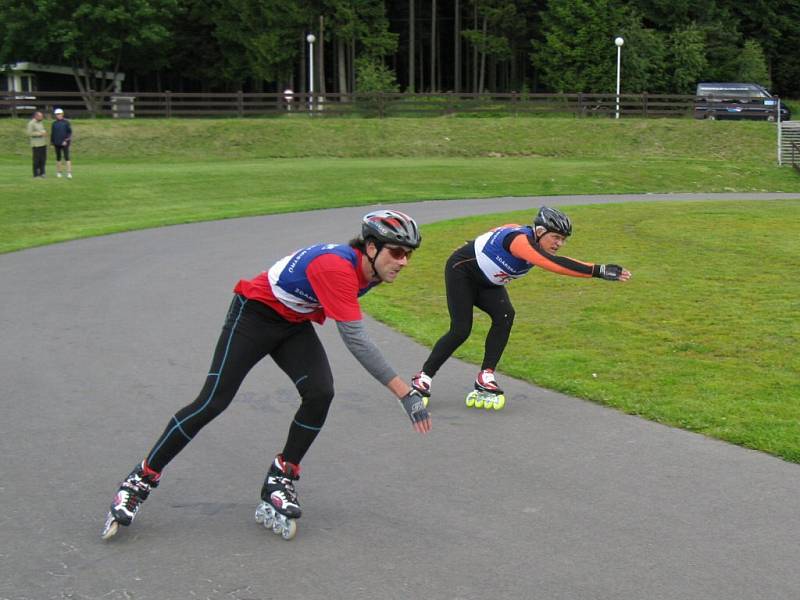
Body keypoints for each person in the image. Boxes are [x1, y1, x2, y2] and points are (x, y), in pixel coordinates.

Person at [102, 209, 431, 540]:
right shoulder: (339, 268)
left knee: (320, 392)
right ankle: (139, 480)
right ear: (371, 248)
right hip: (255, 315)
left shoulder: (370, 274)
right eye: (398, 252)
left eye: (408, 255)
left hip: (292, 323)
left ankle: (281, 476)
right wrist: (406, 393)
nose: (404, 262)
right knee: (212, 401)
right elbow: (358, 342)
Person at [411, 206, 632, 409]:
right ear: (539, 231)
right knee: (461, 329)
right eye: (556, 237)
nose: (559, 243)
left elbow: (497, 230)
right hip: (462, 272)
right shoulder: (520, 242)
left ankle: (485, 375)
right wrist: (598, 270)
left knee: (505, 315)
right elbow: (553, 264)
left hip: (489, 282)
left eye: (563, 239)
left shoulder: (522, 234)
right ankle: (423, 377)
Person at [50, 108, 73, 179]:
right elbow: (53, 134)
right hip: (57, 143)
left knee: (67, 157)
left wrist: (66, 140)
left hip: (65, 143)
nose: (58, 115)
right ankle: (59, 172)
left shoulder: (66, 122)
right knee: (58, 158)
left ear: (62, 114)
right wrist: (52, 142)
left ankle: (69, 173)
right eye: (57, 114)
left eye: (59, 114)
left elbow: (69, 133)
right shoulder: (54, 123)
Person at [26, 111, 47, 178]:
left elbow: (42, 130)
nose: (42, 117)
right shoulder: (31, 123)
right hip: (36, 145)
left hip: (43, 143)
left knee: (43, 159)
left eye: (42, 116)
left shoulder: (40, 122)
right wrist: (40, 134)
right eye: (40, 116)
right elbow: (29, 133)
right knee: (36, 160)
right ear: (36, 116)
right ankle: (35, 174)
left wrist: (44, 132)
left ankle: (42, 173)